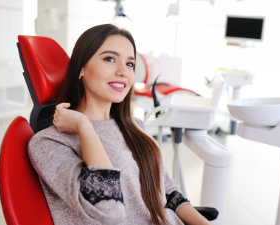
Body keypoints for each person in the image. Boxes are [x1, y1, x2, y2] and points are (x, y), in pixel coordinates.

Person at [28, 24, 211, 225]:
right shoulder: (48, 142)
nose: (123, 71)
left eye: (130, 64)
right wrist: (84, 126)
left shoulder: (135, 126)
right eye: (109, 59)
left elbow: (167, 190)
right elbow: (108, 210)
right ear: (81, 68)